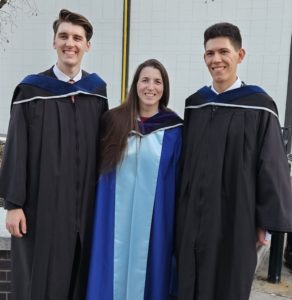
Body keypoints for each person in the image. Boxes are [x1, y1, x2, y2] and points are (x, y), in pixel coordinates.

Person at [175, 22, 292, 300]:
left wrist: (266, 221)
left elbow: (271, 165)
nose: (216, 60)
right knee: (189, 280)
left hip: (237, 217)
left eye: (224, 52)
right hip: (192, 217)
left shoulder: (259, 105)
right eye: (210, 53)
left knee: (228, 284)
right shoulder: (195, 104)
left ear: (240, 55)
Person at [0, 9, 108, 300]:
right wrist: (13, 204)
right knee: (39, 281)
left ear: (87, 45)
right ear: (53, 42)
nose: (69, 43)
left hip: (84, 211)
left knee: (80, 281)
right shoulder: (32, 90)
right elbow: (16, 148)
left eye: (77, 37)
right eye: (63, 36)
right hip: (40, 209)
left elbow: (104, 150)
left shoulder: (97, 93)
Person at [86, 59, 183, 300]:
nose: (151, 87)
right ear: (135, 85)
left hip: (155, 223)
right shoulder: (113, 122)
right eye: (145, 80)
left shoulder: (175, 130)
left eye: (157, 81)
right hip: (111, 221)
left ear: (164, 88)